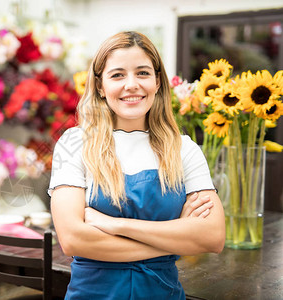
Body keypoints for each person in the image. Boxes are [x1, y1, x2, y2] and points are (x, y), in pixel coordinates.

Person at [48, 31, 225, 300]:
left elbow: (212, 237)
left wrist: (115, 225)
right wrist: (174, 241)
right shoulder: (75, 143)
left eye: (142, 73)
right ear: (99, 86)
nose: (131, 84)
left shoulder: (183, 148)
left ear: (157, 82)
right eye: (117, 75)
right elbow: (73, 240)